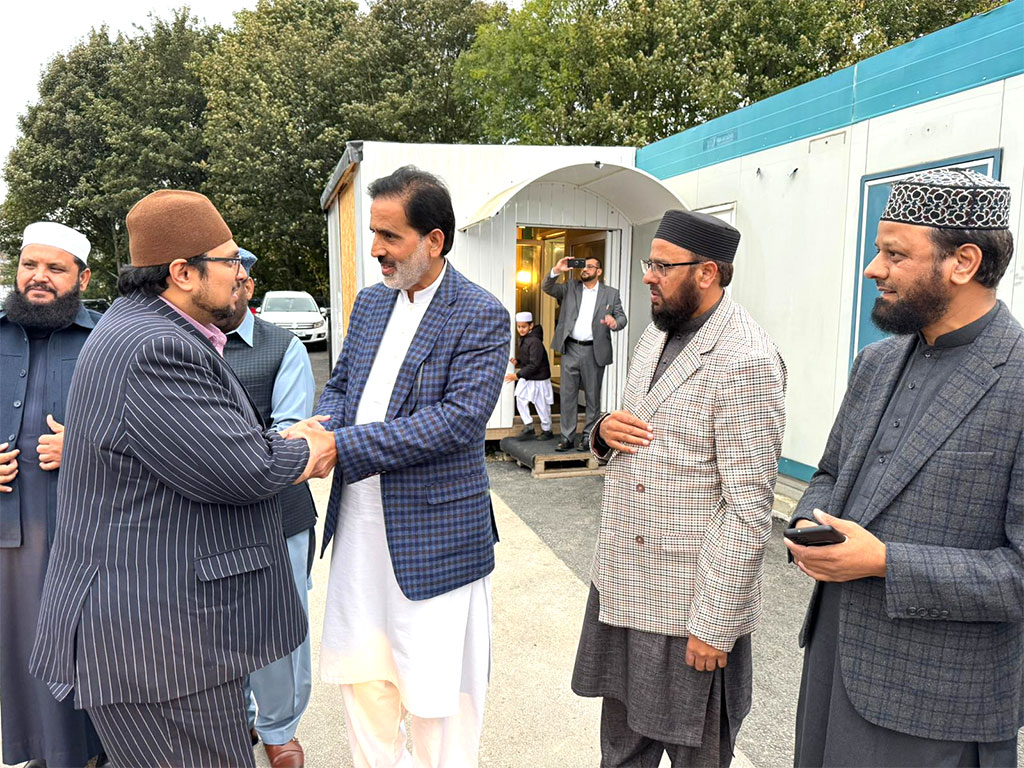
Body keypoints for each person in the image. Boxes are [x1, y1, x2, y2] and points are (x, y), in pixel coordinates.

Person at [29, 190, 333, 768]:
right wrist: (310, 446)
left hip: (162, 634)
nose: (241, 274)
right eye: (230, 261)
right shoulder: (157, 347)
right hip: (162, 648)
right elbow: (244, 468)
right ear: (183, 273)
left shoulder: (137, 326)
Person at [785, 168, 1022, 767]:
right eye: (876, 251)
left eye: (894, 253)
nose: (874, 269)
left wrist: (886, 562)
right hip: (831, 667)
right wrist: (806, 530)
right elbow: (829, 473)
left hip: (935, 708)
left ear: (963, 262)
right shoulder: (876, 361)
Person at [283, 166, 509, 767]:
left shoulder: (481, 314)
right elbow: (344, 385)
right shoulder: (370, 304)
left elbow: (458, 421)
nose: (377, 250)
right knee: (366, 690)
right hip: (361, 533)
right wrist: (321, 425)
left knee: (439, 704)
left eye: (391, 236)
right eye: (373, 233)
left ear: (435, 239)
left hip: (435, 544)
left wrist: (344, 448)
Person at [572, 209, 787, 767]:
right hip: (623, 586)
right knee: (620, 753)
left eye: (662, 266)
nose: (648, 276)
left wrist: (715, 624)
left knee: (698, 755)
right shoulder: (657, 331)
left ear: (708, 273)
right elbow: (638, 426)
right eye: (650, 263)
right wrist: (601, 432)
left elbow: (748, 509)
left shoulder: (748, 359)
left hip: (689, 609)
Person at [0, 222, 105, 768]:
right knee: (21, 653)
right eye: (29, 265)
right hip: (9, 535)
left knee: (88, 652)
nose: (38, 278)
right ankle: (45, 755)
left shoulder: (107, 340)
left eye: (56, 268)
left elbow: (150, 432)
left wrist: (85, 448)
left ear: (82, 277)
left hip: (88, 537)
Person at [218, 249, 317, 768]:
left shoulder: (284, 347)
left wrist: (218, 455)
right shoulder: (176, 345)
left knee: (280, 627)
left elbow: (292, 435)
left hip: (278, 515)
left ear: (250, 287)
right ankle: (234, 721)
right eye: (221, 277)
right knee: (217, 628)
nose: (230, 288)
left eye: (239, 280)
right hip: (204, 519)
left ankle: (279, 729)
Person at [542, 254, 627, 452]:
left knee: (592, 396)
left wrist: (615, 323)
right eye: (584, 266)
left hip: (594, 351)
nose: (585, 269)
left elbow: (622, 318)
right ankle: (567, 436)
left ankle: (588, 437)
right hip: (570, 348)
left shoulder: (610, 294)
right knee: (568, 394)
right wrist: (556, 270)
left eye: (590, 266)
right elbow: (547, 287)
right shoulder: (570, 287)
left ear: (599, 271)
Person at [505, 310, 554, 440]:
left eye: (524, 326)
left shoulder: (535, 342)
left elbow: (535, 364)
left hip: (539, 379)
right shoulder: (524, 339)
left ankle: (547, 430)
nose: (521, 329)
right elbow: (528, 359)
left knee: (541, 404)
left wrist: (517, 375)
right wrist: (518, 362)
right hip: (529, 376)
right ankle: (529, 426)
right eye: (519, 326)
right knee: (520, 398)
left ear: (531, 326)